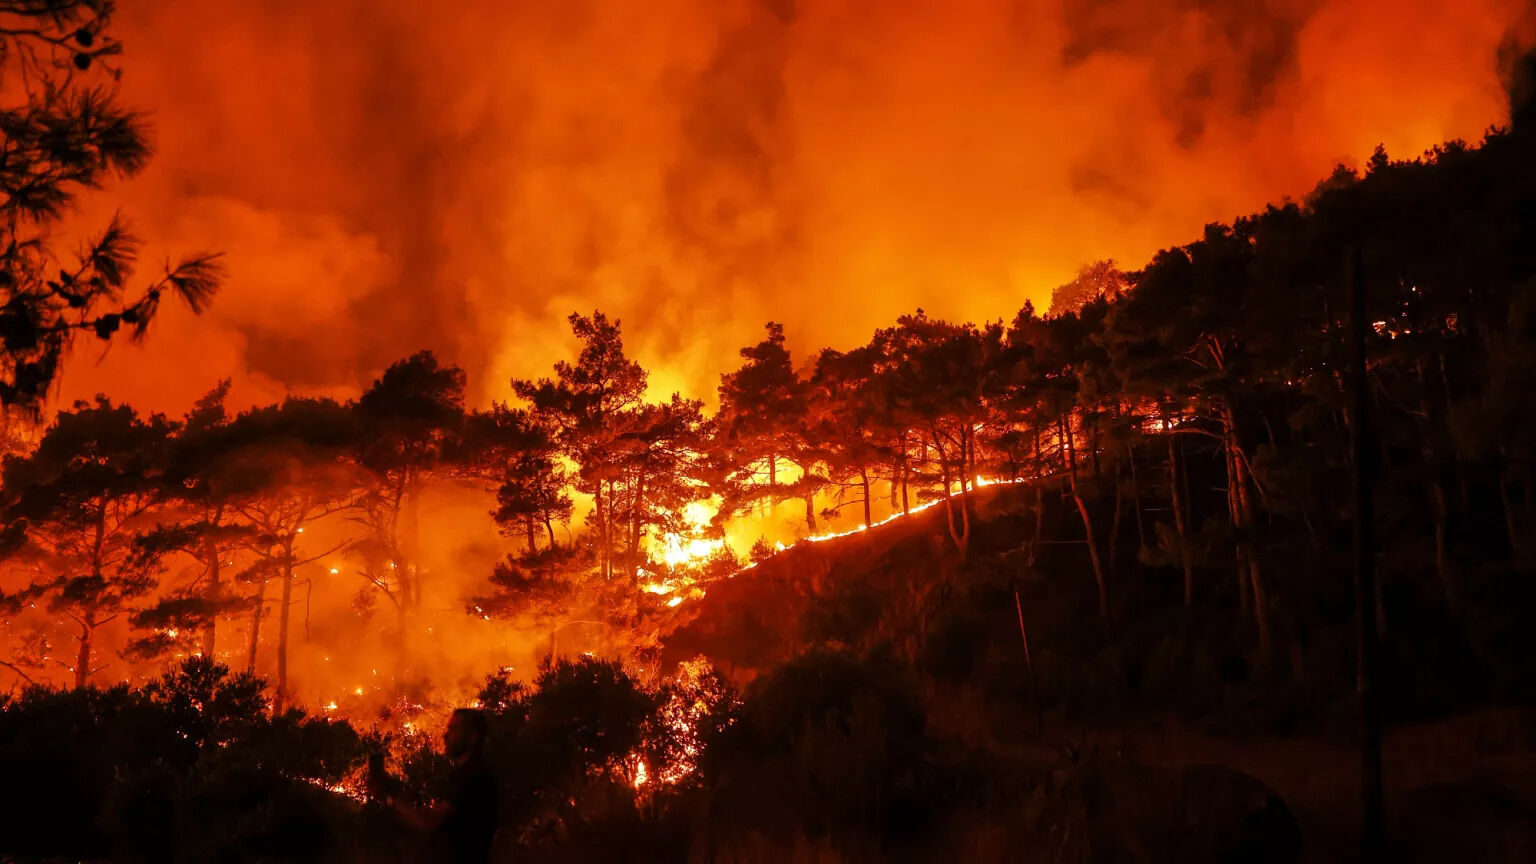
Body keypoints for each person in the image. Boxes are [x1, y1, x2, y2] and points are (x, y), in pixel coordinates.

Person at [370, 708, 499, 864]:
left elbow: (430, 821)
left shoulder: (475, 777)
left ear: (472, 737)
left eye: (453, 729)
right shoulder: (463, 774)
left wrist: (390, 798)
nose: (446, 735)